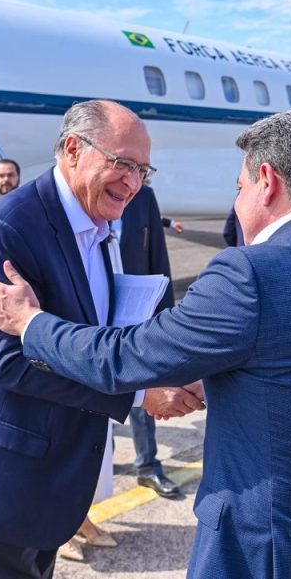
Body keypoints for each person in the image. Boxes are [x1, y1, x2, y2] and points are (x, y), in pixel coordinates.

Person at [0, 110, 291, 578]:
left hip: (266, 551)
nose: (238, 205)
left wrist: (30, 322)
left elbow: (122, 358)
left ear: (267, 182)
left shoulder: (250, 273)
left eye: (239, 189)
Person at [0, 99, 204, 579]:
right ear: (73, 149)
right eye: (122, 164)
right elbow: (12, 363)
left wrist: (167, 367)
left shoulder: (100, 222)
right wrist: (138, 391)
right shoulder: (9, 228)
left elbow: (93, 333)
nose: (132, 182)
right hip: (1, 471)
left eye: (142, 171)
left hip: (52, 473)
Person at [114, 185, 182, 499]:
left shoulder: (144, 197)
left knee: (144, 392)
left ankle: (146, 466)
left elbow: (157, 256)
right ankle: (95, 468)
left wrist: (166, 322)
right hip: (91, 317)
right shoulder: (80, 192)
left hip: (136, 315)